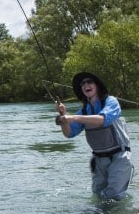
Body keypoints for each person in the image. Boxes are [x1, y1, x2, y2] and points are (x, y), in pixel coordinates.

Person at [54, 72, 134, 201]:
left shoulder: (111, 102)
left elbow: (103, 119)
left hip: (119, 157)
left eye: (89, 82)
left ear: (97, 86)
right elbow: (69, 133)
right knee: (99, 197)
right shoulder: (84, 111)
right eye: (83, 84)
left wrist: (73, 117)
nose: (86, 85)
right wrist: (64, 119)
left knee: (114, 197)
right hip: (98, 161)